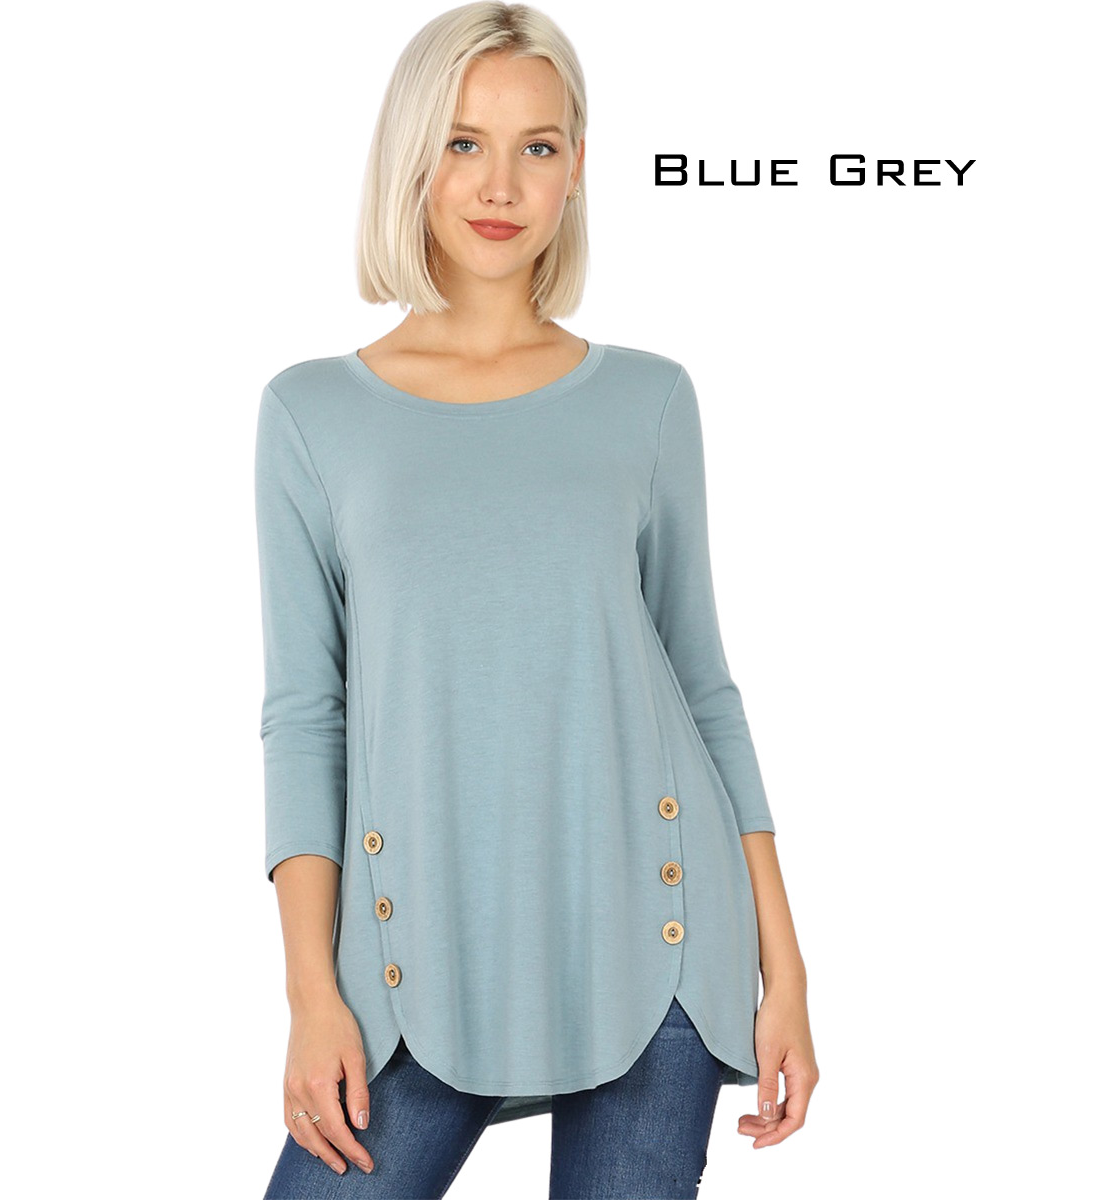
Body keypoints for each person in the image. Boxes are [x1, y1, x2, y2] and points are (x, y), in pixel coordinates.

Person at [254, 4, 818, 1196]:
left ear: (576, 168)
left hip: (655, 939)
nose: (500, 184)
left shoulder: (648, 400)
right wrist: (311, 993)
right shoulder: (312, 414)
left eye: (539, 146)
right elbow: (306, 716)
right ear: (411, 157)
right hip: (412, 957)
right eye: (463, 143)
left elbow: (702, 685)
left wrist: (789, 973)